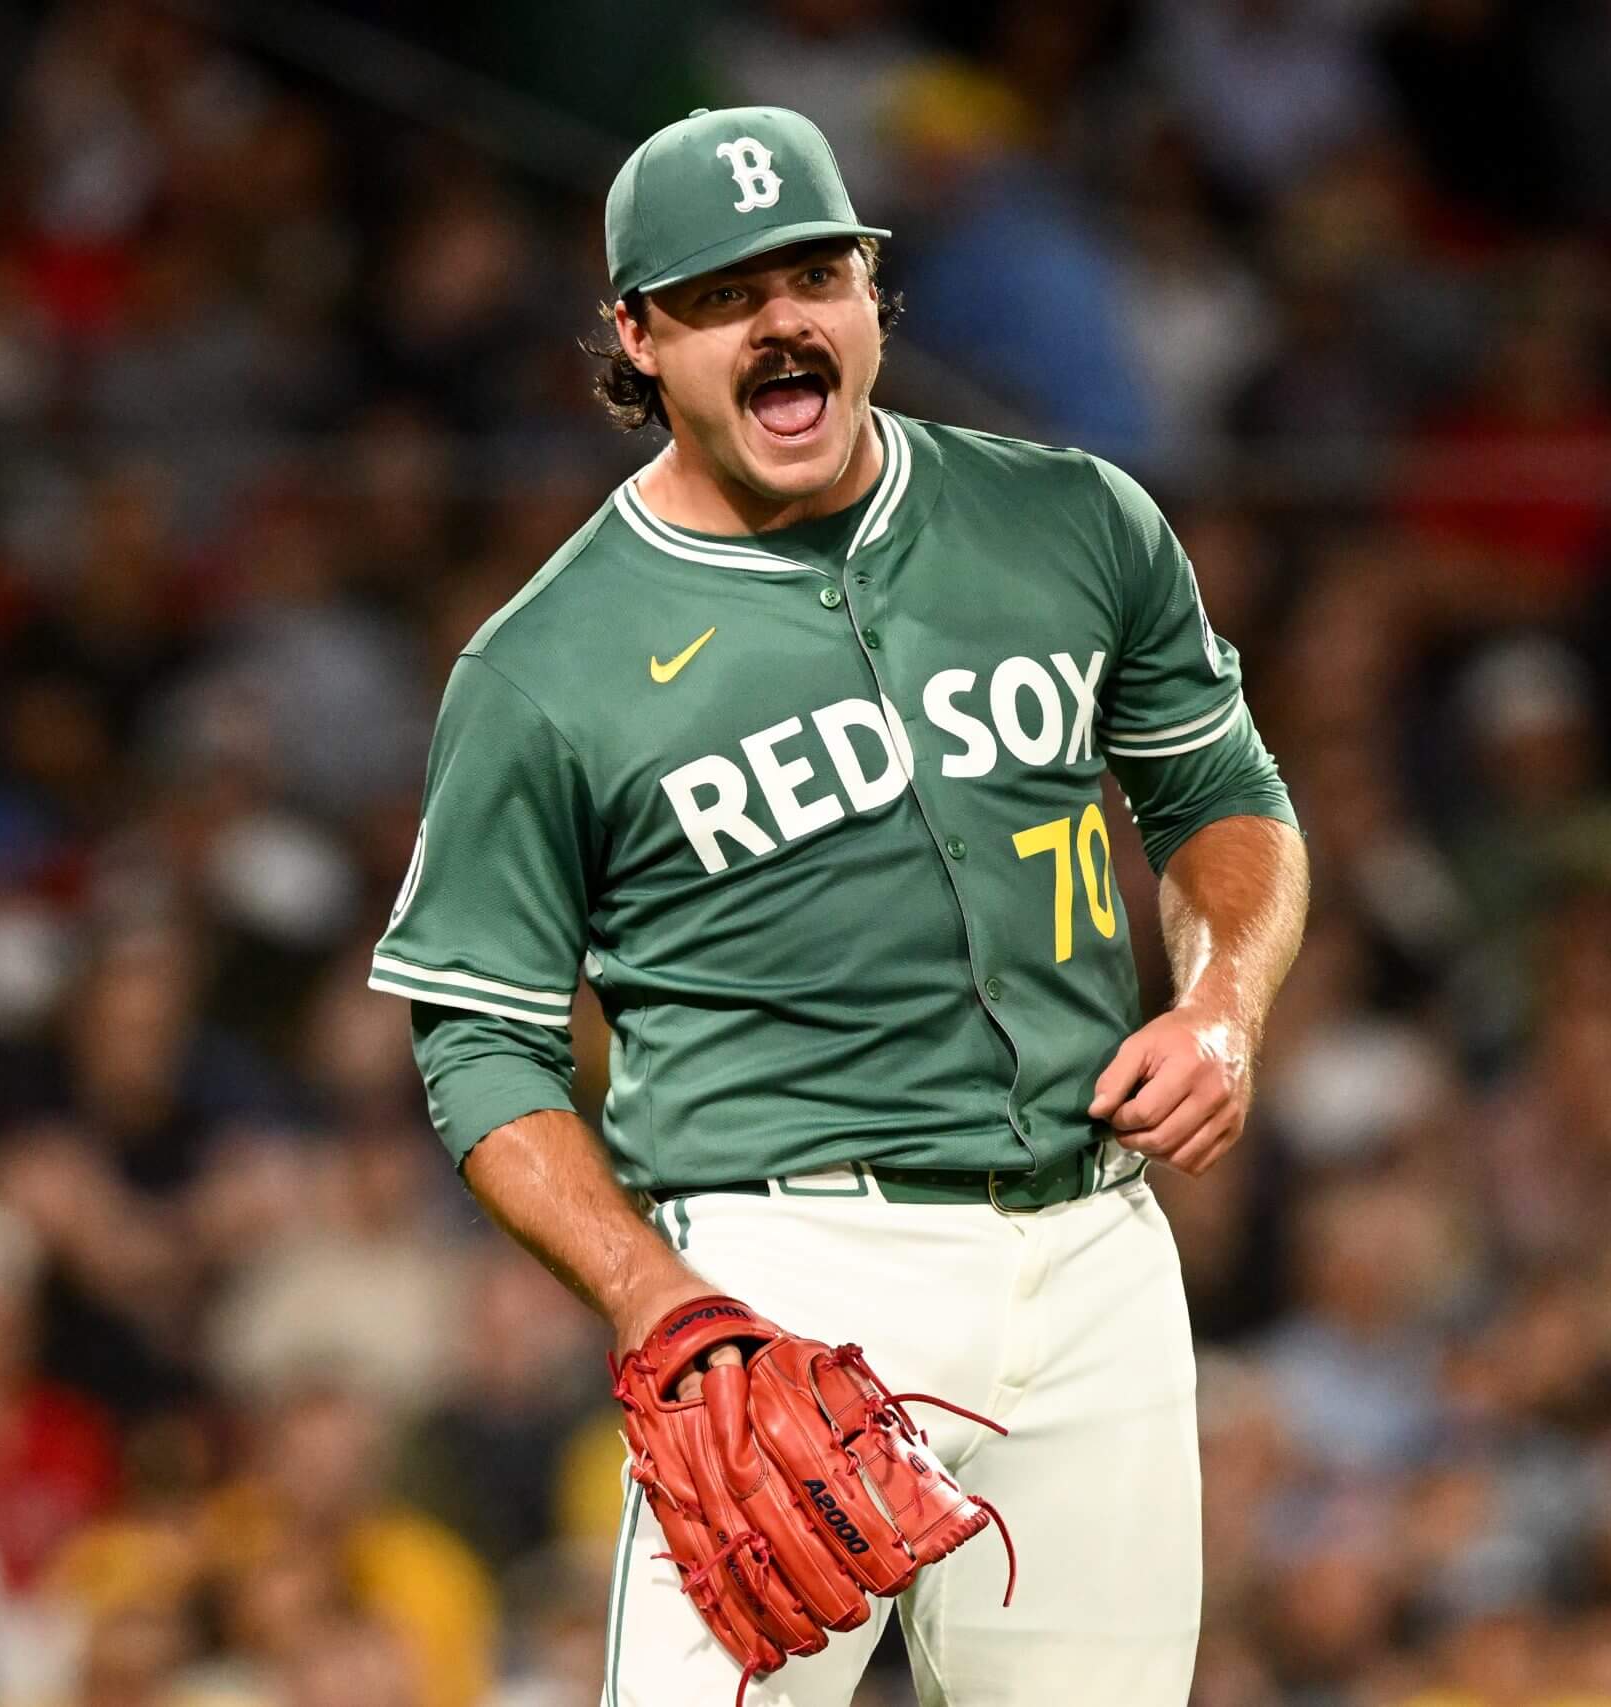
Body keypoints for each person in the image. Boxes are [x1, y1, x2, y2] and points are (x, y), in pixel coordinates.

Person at [369, 105, 1309, 1705]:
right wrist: (659, 1299)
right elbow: (479, 1040)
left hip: (1097, 1253)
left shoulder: (1073, 521)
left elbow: (1225, 801)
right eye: (724, 297)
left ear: (875, 295)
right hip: (787, 1272)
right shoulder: (546, 667)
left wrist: (1220, 1007)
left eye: (814, 273)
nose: (781, 321)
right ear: (638, 339)